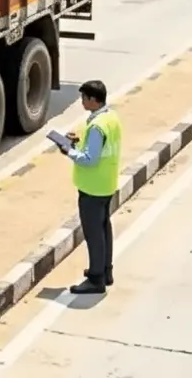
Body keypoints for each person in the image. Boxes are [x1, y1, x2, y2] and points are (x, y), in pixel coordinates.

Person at [58, 79, 123, 295]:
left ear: (94, 100)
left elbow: (89, 159)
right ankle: (105, 270)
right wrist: (79, 140)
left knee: (93, 233)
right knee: (104, 228)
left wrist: (69, 151)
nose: (82, 102)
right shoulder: (110, 117)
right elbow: (100, 146)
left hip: (92, 187)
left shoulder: (96, 126)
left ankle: (96, 279)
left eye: (84, 98)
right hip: (106, 183)